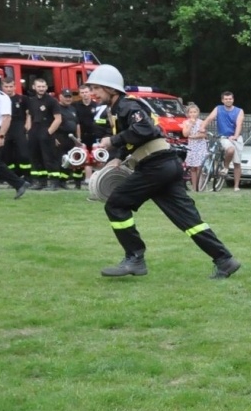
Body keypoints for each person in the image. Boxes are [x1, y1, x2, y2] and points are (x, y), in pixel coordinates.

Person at [84, 65, 241, 280]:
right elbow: (136, 138)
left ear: (111, 89)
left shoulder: (128, 105)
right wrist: (118, 158)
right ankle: (225, 260)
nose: (93, 93)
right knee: (188, 220)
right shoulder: (119, 109)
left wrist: (112, 140)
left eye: (96, 88)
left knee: (116, 204)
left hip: (155, 167)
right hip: (165, 165)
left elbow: (144, 130)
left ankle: (135, 258)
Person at [0, 73, 30, 198]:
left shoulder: (0, 97)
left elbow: (7, 118)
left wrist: (1, 135)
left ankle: (19, 183)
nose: (8, 88)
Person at [28, 77, 64, 190]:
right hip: (34, 130)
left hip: (46, 130)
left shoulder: (52, 101)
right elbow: (29, 116)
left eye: (43, 86)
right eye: (39, 86)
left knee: (49, 158)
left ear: (47, 87)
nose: (41, 88)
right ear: (34, 87)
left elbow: (58, 119)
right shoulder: (31, 100)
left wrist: (48, 132)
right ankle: (41, 182)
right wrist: (29, 130)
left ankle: (54, 183)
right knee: (36, 157)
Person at [203, 92, 245, 191]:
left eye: (230, 99)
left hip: (236, 137)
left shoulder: (239, 111)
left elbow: (239, 124)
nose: (228, 100)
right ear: (222, 100)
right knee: (230, 150)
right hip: (224, 137)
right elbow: (209, 118)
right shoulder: (218, 108)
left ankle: (236, 186)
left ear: (233, 99)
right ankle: (225, 167)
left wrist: (235, 136)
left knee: (237, 163)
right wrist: (202, 127)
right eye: (226, 99)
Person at [182, 103, 208, 189]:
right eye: (191, 112)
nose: (193, 114)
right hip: (191, 146)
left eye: (195, 112)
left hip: (200, 146)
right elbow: (185, 134)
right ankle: (194, 186)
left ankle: (200, 185)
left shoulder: (201, 122)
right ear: (188, 113)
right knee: (193, 167)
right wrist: (190, 125)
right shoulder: (185, 122)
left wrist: (194, 136)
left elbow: (203, 135)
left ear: (198, 112)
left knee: (199, 166)